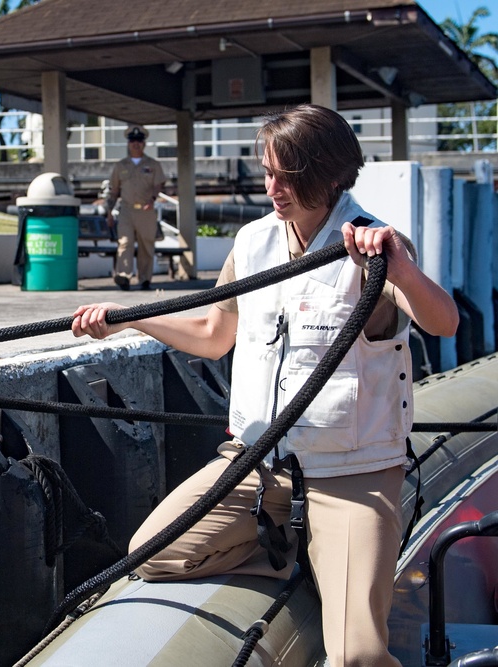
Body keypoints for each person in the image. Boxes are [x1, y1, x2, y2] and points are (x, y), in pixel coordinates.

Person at [71, 104, 458, 667]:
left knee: (357, 656)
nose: (271, 189)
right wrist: (128, 317)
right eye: (267, 173)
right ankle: (305, 555)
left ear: (328, 175)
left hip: (351, 474)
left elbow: (442, 321)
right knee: (154, 554)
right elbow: (212, 332)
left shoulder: (376, 247)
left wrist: (400, 269)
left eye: (286, 177)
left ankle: (335, 552)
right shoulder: (253, 244)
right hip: (256, 464)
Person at [105, 124, 168, 291]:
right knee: (125, 243)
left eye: (139, 140)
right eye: (132, 140)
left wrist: (153, 199)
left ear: (144, 143)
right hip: (126, 209)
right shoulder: (120, 166)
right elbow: (114, 191)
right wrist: (109, 213)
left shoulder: (153, 164)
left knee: (146, 245)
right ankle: (124, 276)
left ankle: (145, 278)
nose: (136, 144)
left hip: (146, 210)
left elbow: (158, 185)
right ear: (128, 143)